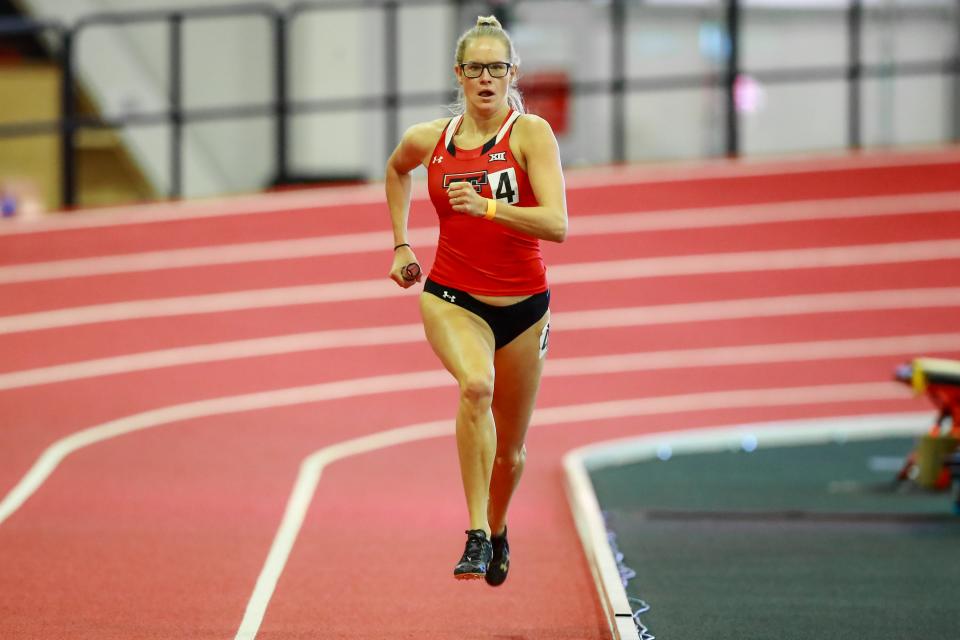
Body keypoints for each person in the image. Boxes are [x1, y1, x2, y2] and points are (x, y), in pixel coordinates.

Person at [385, 15, 567, 585]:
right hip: (452, 295)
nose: (485, 79)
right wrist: (400, 244)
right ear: (458, 75)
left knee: (511, 451)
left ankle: (499, 525)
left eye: (497, 68)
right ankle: (475, 534)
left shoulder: (530, 133)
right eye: (475, 69)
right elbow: (396, 171)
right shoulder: (429, 140)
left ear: (511, 74)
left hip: (523, 305)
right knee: (475, 386)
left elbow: (556, 224)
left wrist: (486, 206)